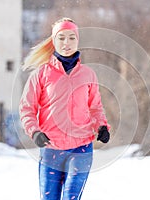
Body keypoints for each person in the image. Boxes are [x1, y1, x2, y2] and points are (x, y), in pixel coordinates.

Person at [19, 17, 111, 200]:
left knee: (71, 197)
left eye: (71, 38)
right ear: (53, 41)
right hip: (51, 148)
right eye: (61, 38)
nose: (66, 43)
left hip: (81, 148)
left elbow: (95, 107)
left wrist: (102, 127)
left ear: (77, 40)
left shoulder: (88, 74)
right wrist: (35, 132)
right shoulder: (41, 75)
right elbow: (27, 108)